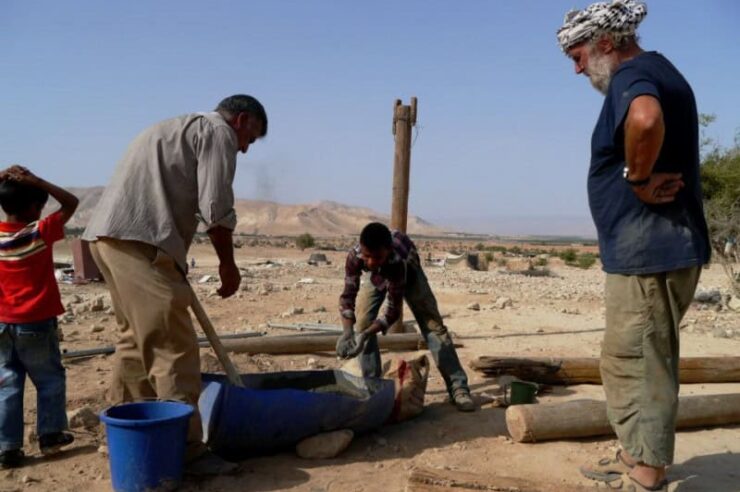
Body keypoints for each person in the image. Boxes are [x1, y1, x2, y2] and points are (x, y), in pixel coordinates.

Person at [557, 2, 710, 490]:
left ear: (606, 43)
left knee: (640, 363)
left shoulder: (632, 77)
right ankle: (634, 456)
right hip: (653, 250)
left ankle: (645, 474)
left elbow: (645, 119)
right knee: (629, 358)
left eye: (578, 55)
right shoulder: (656, 69)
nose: (577, 68)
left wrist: (638, 180)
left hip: (651, 253)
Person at [83, 95, 267, 474]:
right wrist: (228, 266)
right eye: (251, 137)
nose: (246, 148)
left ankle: (128, 435)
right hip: (143, 242)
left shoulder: (173, 127)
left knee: (135, 341)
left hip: (109, 238)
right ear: (241, 120)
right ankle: (187, 451)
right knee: (173, 346)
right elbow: (215, 206)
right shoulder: (218, 132)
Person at [337, 222, 475, 412]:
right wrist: (347, 332)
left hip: (409, 271)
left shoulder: (396, 261)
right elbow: (348, 295)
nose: (369, 262)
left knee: (433, 327)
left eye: (376, 257)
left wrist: (368, 333)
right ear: (361, 247)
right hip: (378, 276)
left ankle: (458, 387)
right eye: (366, 256)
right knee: (362, 322)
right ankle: (373, 387)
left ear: (387, 250)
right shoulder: (356, 256)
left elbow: (393, 311)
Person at [0, 166, 79, 468]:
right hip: (36, 322)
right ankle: (50, 435)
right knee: (49, 379)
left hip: (1, 323)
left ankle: (7, 448)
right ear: (35, 208)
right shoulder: (39, 233)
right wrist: (38, 181)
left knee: (7, 384)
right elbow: (71, 203)